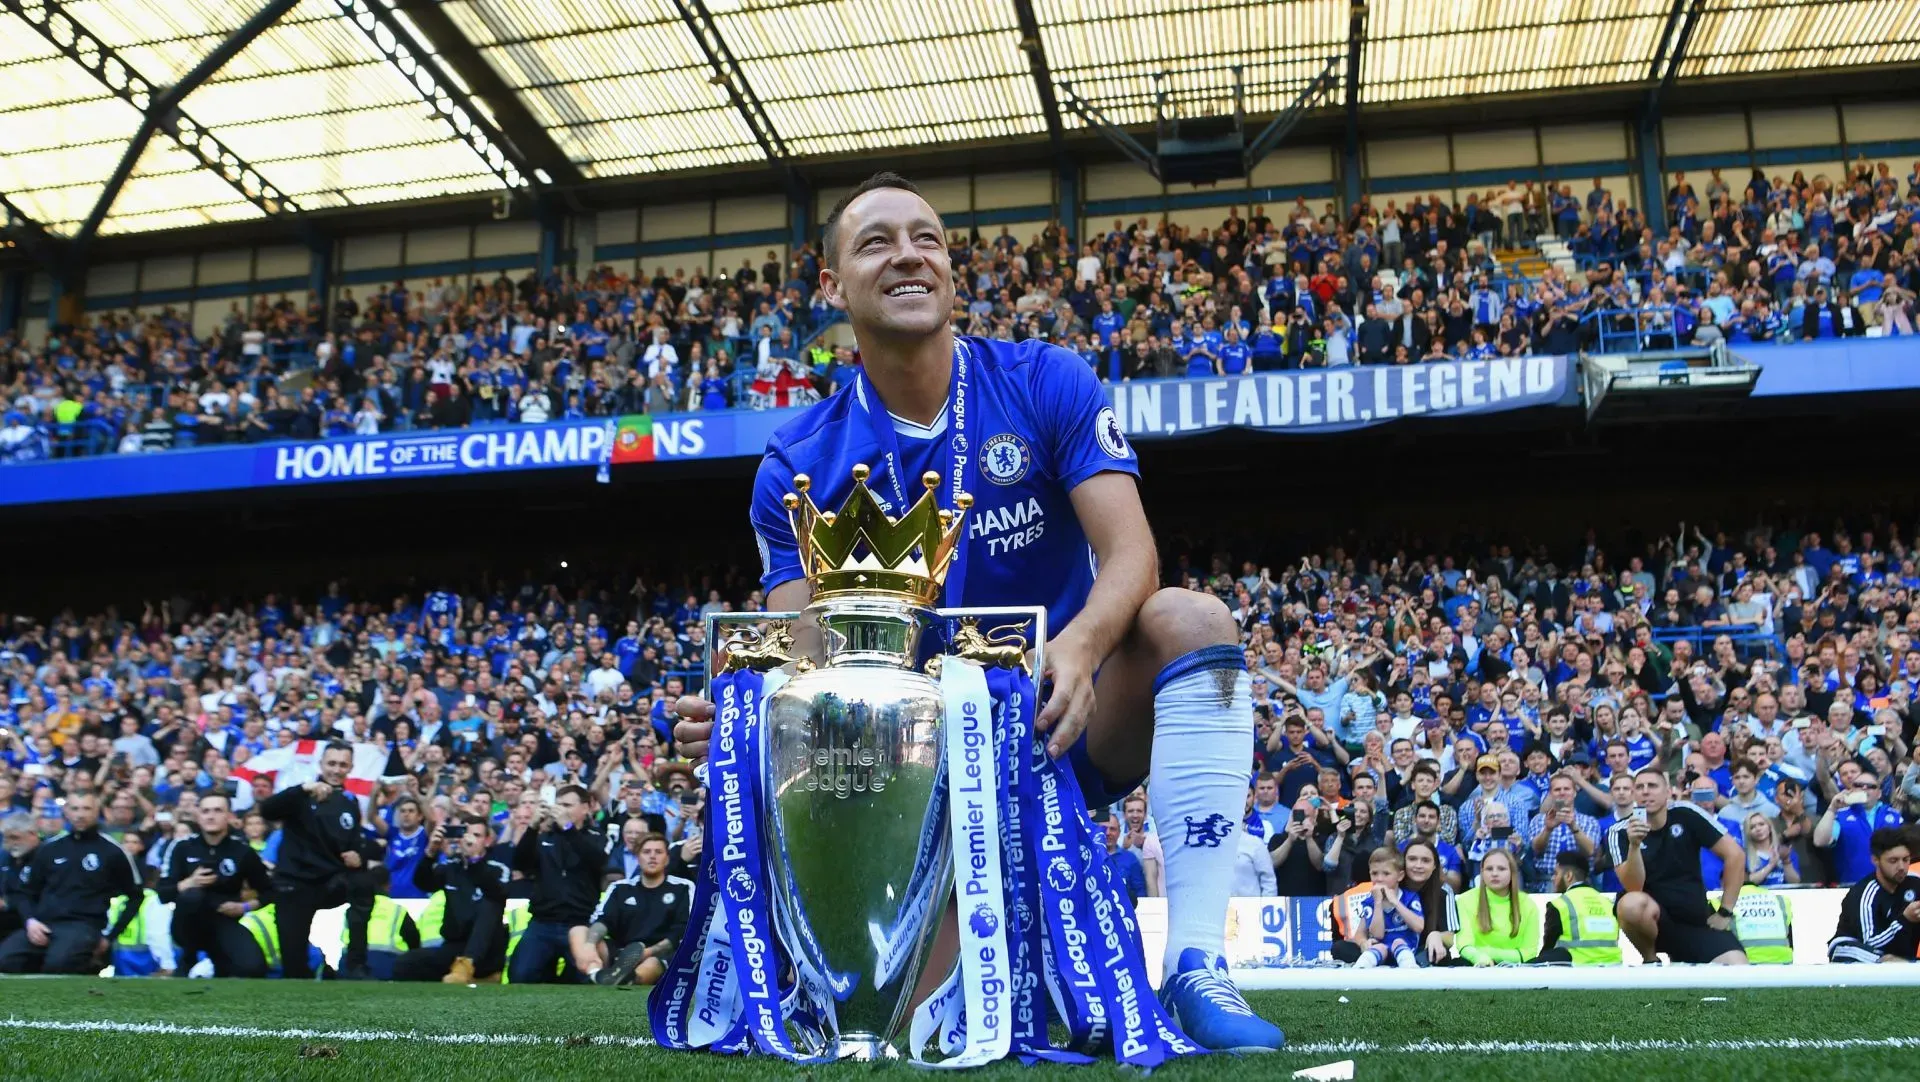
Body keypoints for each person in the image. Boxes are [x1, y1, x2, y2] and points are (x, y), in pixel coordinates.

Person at [673, 172, 1284, 1050]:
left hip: (1059, 721)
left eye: (926, 238)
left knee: (1194, 619)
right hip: (913, 777)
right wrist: (746, 713)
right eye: (876, 242)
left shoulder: (1043, 380)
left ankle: (1195, 962)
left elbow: (1133, 555)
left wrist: (1080, 645)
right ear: (832, 286)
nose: (908, 255)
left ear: (951, 271)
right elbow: (805, 648)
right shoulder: (796, 460)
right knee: (923, 1027)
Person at [257, 743, 378, 979]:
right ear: (321, 764)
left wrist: (358, 856)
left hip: (330, 883)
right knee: (294, 968)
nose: (336, 770)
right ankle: (315, 971)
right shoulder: (301, 795)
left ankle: (356, 964)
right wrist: (303, 789)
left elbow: (355, 843)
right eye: (331, 763)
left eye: (342, 765)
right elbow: (267, 811)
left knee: (363, 882)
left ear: (350, 767)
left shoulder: (350, 803)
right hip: (295, 883)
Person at [1606, 767, 1749, 964]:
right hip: (1652, 922)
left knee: (1737, 964)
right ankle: (1650, 960)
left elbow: (1736, 855)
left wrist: (1725, 911)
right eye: (1639, 787)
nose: (1646, 791)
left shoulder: (1686, 813)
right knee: (1631, 904)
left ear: (1667, 792)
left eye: (1652, 786)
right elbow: (1633, 886)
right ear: (1634, 795)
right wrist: (1634, 846)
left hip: (1695, 920)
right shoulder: (1619, 831)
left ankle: (1682, 954)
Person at [0, 792, 143, 974]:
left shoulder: (113, 851)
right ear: (66, 811)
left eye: (86, 808)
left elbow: (135, 896)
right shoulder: (49, 849)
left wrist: (110, 936)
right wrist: (30, 921)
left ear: (97, 811)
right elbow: (25, 892)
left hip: (84, 926)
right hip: (44, 925)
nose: (80, 814)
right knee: (5, 960)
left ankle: (90, 965)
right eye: (75, 808)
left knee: (58, 964)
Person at [156, 792, 272, 978]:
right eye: (206, 811)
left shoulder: (242, 851)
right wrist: (190, 882)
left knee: (253, 968)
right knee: (193, 895)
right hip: (187, 924)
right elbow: (163, 894)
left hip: (223, 919)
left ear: (229, 816)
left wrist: (243, 907)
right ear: (198, 816)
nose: (211, 816)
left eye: (218, 810)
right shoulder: (182, 847)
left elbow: (269, 892)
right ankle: (188, 957)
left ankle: (220, 963)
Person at [395, 813, 511, 983]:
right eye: (466, 835)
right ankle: (472, 978)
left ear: (487, 841)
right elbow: (424, 884)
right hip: (455, 945)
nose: (470, 840)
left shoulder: (498, 868)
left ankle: (470, 968)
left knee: (489, 903)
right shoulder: (451, 866)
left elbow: (499, 894)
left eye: (476, 835)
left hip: (487, 949)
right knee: (405, 964)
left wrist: (475, 860)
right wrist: (430, 853)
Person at [510, 783, 605, 984]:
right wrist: (532, 828)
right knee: (520, 975)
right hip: (543, 922)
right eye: (559, 804)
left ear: (585, 808)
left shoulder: (597, 837)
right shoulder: (544, 837)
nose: (561, 810)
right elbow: (520, 864)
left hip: (579, 923)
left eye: (567, 805)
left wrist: (569, 828)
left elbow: (597, 861)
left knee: (586, 980)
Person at [583, 832, 690, 986]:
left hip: (659, 953)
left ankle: (629, 980)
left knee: (653, 963)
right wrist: (589, 944)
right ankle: (596, 974)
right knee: (580, 933)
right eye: (646, 852)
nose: (652, 856)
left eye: (658, 852)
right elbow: (603, 921)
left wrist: (647, 952)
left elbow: (682, 931)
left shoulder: (683, 887)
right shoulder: (620, 888)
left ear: (667, 859)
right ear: (637, 857)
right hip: (620, 953)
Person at [1827, 827, 1920, 963]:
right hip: (1851, 949)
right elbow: (1871, 942)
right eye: (1893, 861)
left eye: (1906, 860)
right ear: (1875, 860)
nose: (1901, 867)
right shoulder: (1866, 893)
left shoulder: (1914, 882)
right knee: (1888, 961)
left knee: (1896, 961)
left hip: (1893, 952)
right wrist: (1905, 920)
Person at [1814, 767, 1904, 885]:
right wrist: (1832, 808)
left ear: (1879, 793)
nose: (1864, 788)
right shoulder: (1841, 815)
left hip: (1889, 885)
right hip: (1852, 885)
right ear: (1851, 790)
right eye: (1858, 785)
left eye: (1871, 786)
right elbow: (1820, 841)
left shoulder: (1895, 816)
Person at [1452, 848, 1540, 966]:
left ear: (1512, 872)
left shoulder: (1528, 904)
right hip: (1479, 966)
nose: (1494, 873)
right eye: (1489, 869)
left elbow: (1529, 952)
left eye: (1501, 869)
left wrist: (1487, 952)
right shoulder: (1465, 900)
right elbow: (1464, 945)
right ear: (1482, 872)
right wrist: (1481, 958)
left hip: (1517, 970)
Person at [1538, 849, 1621, 965]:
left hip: (1577, 971)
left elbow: (1547, 951)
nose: (1553, 878)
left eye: (1556, 873)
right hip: (1614, 969)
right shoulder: (1608, 903)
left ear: (1568, 876)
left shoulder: (1559, 905)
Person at [1351, 847, 1424, 968]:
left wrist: (1395, 902)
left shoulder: (1410, 897)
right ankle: (1360, 970)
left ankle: (1410, 969)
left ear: (1400, 876)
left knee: (1398, 942)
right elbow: (1377, 935)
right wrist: (1378, 903)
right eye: (1374, 873)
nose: (1379, 879)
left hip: (1406, 946)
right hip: (1381, 949)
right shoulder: (1369, 902)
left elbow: (1419, 927)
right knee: (1377, 948)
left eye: (1386, 873)